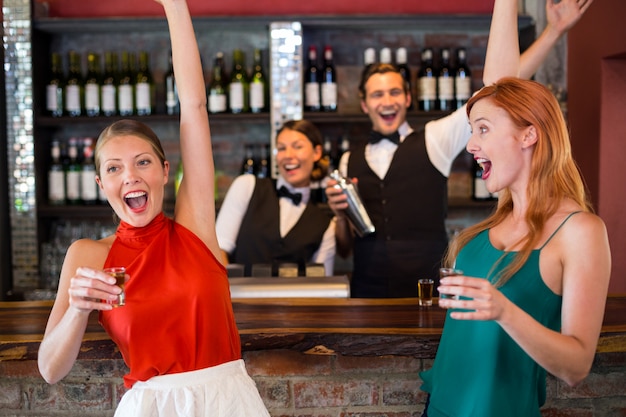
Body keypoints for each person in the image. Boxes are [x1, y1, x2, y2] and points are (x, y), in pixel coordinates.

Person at [37, 1, 270, 416]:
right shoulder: (88, 257)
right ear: (100, 184)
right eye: (114, 168)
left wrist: (175, 5)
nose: (130, 176)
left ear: (165, 171)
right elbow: (50, 370)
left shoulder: (194, 229)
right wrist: (77, 309)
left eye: (142, 162)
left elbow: (194, 107)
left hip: (228, 402)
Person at [324, 0, 596, 299]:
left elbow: (497, 89)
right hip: (366, 293)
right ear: (364, 103)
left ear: (407, 98)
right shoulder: (349, 160)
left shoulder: (435, 138)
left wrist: (553, 32)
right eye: (377, 94)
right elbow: (346, 246)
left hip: (428, 293)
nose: (386, 101)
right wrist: (339, 215)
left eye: (394, 92)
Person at [419, 1, 608, 416]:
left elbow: (577, 366)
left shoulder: (581, 231)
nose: (471, 145)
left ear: (528, 136)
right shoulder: (506, 210)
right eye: (472, 131)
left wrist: (503, 310)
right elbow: (499, 86)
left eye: (482, 130)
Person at [216, 119, 336, 277]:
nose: (288, 155)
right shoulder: (247, 186)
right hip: (237, 299)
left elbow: (321, 285)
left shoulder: (325, 226)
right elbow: (217, 249)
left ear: (317, 152)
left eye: (297, 146)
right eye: (281, 148)